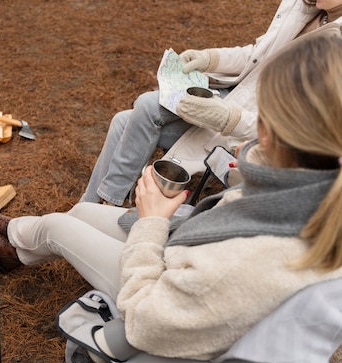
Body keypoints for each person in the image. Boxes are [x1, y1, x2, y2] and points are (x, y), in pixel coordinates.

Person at [0, 25, 342, 361]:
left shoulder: (250, 262)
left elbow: (147, 317)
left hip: (162, 293)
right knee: (80, 215)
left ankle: (15, 241)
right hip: (188, 254)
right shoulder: (314, 190)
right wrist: (253, 168)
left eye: (263, 119)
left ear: (274, 132)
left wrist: (152, 223)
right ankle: (16, 250)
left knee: (57, 228)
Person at [79, 0, 342, 207]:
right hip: (233, 98)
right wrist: (209, 59)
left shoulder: (336, 45)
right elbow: (256, 54)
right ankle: (94, 206)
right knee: (126, 118)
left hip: (250, 135)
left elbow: (300, 133)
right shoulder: (307, 8)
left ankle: (101, 206)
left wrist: (229, 119)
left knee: (139, 112)